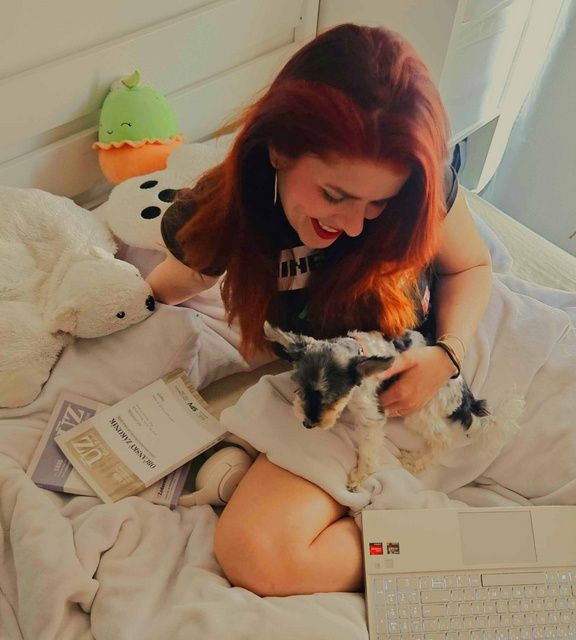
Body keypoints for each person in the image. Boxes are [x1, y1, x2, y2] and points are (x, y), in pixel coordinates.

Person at [146, 24, 492, 597]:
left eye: (378, 203)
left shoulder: (418, 191)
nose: (354, 226)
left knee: (257, 555)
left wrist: (447, 356)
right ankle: (418, 541)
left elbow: (471, 267)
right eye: (335, 195)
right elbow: (185, 275)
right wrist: (132, 301)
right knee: (255, 553)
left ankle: (455, 551)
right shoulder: (233, 207)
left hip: (426, 377)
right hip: (336, 392)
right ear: (279, 149)